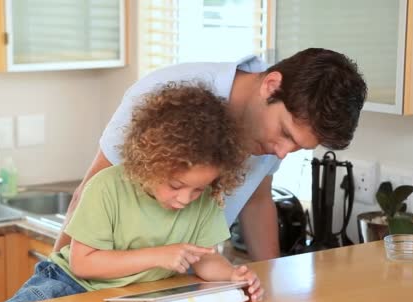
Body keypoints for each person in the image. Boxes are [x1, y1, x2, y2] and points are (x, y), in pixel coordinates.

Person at [54, 48, 367, 261]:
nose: (283, 153)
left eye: (298, 147)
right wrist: (58, 283)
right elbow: (90, 191)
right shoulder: (165, 93)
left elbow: (257, 201)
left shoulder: (271, 133)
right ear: (271, 86)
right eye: (286, 134)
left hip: (174, 282)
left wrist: (269, 280)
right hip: (104, 276)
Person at [1, 83, 263, 302]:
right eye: (175, 185)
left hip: (132, 297)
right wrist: (160, 255)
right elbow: (82, 263)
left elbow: (206, 260)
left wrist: (232, 276)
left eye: (197, 189)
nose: (185, 199)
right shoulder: (107, 187)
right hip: (68, 285)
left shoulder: (205, 200)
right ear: (152, 161)